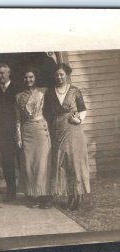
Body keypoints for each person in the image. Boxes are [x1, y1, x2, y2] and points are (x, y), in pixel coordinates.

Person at [44, 63, 90, 210]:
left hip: (73, 128)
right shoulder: (50, 92)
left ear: (66, 74)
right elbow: (47, 112)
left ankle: (78, 197)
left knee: (75, 163)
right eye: (56, 74)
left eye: (61, 74)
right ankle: (69, 195)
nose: (59, 77)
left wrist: (79, 119)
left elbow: (82, 109)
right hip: (58, 128)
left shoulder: (75, 90)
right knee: (62, 164)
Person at [15, 67, 53, 209]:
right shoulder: (18, 96)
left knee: (43, 163)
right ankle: (34, 196)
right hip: (27, 131)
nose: (28, 80)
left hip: (41, 129)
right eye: (26, 77)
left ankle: (46, 196)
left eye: (31, 77)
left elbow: (50, 111)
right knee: (29, 164)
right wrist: (18, 136)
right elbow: (17, 118)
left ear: (35, 78)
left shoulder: (43, 92)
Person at [0, 63, 21, 202]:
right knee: (7, 163)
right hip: (3, 135)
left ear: (9, 73)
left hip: (18, 131)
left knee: (22, 162)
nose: (0, 76)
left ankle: (28, 191)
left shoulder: (18, 88)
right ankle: (11, 192)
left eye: (2, 73)